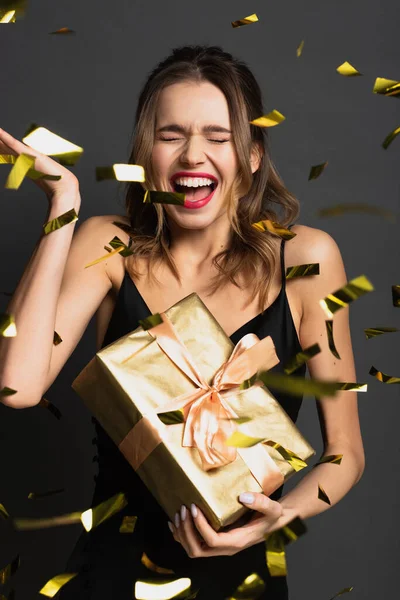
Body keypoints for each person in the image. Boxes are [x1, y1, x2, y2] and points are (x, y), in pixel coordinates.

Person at [0, 45, 365, 599]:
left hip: (244, 580)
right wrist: (64, 205)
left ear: (252, 156)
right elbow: (17, 388)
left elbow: (346, 453)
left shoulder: (308, 260)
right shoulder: (109, 246)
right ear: (147, 154)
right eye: (171, 135)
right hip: (110, 575)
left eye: (218, 137)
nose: (193, 154)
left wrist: (280, 517)